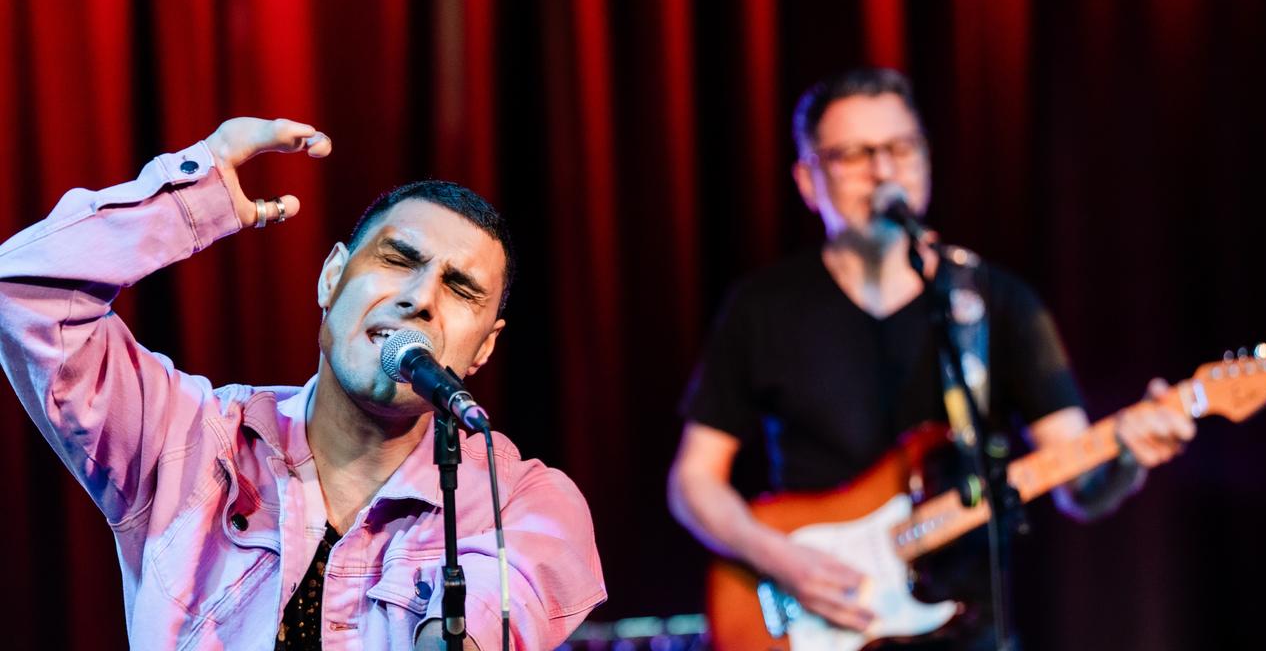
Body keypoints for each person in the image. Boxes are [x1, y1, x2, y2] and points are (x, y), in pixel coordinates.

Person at [0, 118, 606, 650]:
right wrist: (194, 197)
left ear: (484, 347)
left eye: (460, 289)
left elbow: (498, 605)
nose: (421, 299)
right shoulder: (184, 438)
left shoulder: (520, 502)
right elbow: (22, 297)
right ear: (332, 278)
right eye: (398, 260)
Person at [667, 68, 1194, 649]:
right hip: (821, 617)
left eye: (900, 148)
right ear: (808, 179)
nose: (883, 171)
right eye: (853, 155)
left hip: (965, 628)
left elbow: (1080, 486)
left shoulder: (995, 302)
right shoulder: (763, 309)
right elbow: (694, 481)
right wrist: (782, 559)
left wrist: (1128, 454)